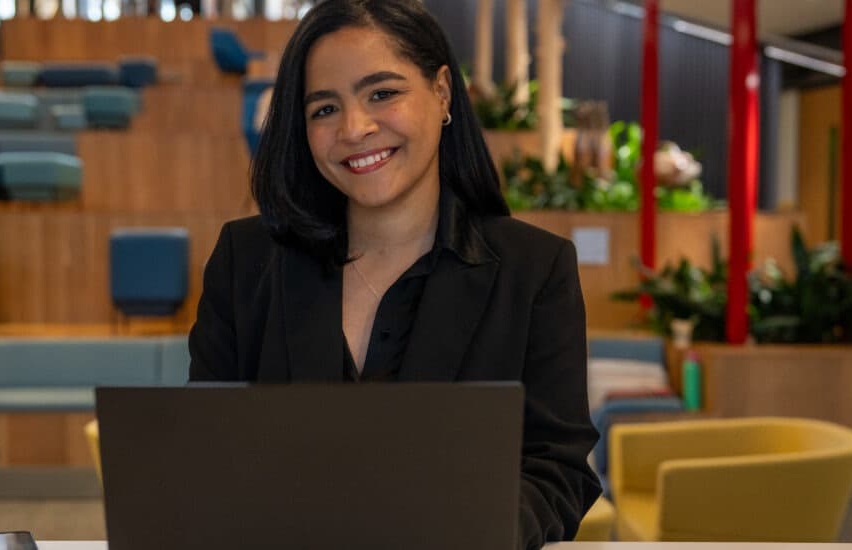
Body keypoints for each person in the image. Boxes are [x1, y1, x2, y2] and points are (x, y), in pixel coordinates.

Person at [188, 1, 601, 547]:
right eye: (324, 109)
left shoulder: (535, 270)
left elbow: (557, 471)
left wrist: (471, 532)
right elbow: (206, 454)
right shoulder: (245, 261)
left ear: (442, 92)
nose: (355, 128)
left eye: (382, 94)